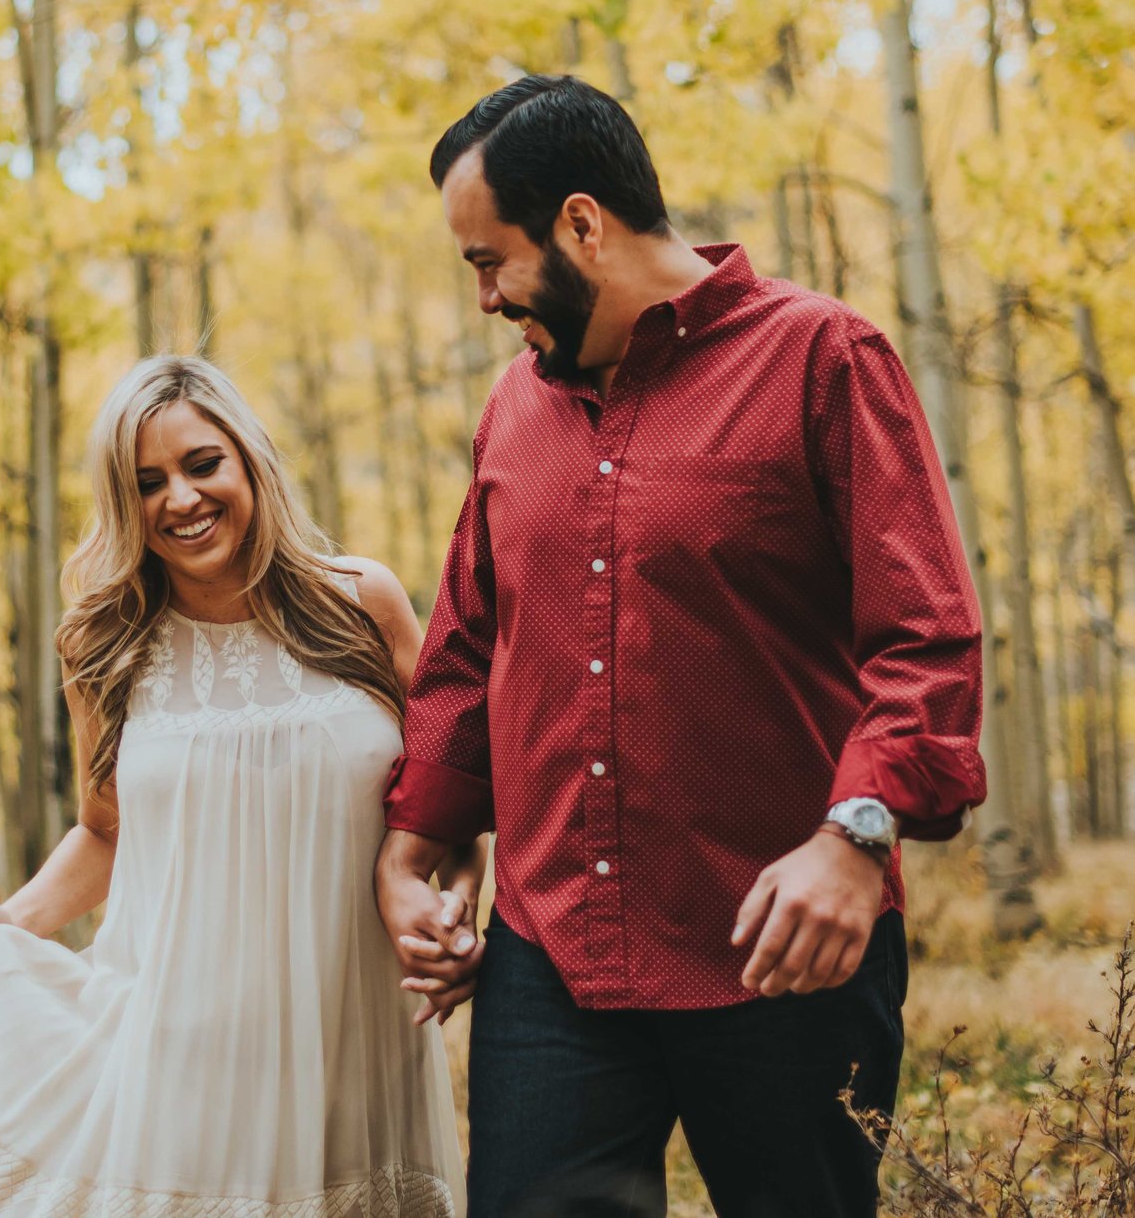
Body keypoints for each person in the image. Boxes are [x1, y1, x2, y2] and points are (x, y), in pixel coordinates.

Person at [375, 75, 987, 1218]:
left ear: (581, 225)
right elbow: (467, 649)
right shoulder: (514, 410)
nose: (487, 299)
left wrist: (855, 837)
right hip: (550, 956)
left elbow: (926, 639)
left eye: (487, 261)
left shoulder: (822, 359)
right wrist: (412, 849)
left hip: (780, 956)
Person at [0, 355, 467, 1218]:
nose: (180, 498)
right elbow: (106, 830)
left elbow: (456, 780)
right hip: (180, 1059)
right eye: (147, 482)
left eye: (202, 463)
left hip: (351, 1050)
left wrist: (460, 897)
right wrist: (17, 917)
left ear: (250, 459)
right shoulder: (103, 644)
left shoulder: (360, 602)